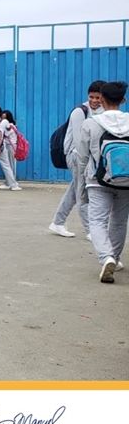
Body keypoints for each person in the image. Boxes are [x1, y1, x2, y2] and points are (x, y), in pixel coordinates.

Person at [76, 81, 129, 283]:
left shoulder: (91, 123)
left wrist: (81, 182)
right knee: (119, 221)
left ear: (102, 100)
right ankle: (115, 257)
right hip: (126, 180)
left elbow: (82, 157)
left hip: (97, 179)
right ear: (123, 100)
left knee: (97, 220)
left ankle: (106, 257)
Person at [50, 81, 105, 239]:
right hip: (77, 156)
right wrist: (86, 162)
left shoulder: (102, 111)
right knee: (82, 192)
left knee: (75, 189)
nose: (94, 101)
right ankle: (91, 230)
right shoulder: (80, 112)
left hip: (90, 157)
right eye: (91, 97)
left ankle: (58, 222)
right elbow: (79, 140)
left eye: (98, 98)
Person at [2, 110, 19, 186]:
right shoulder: (12, 125)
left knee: (10, 164)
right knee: (10, 164)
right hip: (10, 146)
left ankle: (11, 182)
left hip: (10, 146)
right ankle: (10, 181)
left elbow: (5, 134)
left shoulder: (10, 126)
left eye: (4, 118)